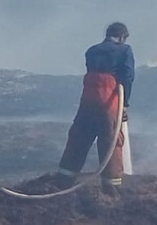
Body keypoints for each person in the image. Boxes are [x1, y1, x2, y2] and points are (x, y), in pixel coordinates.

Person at [58, 22, 135, 191]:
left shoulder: (91, 50)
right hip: (110, 97)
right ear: (122, 36)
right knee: (111, 139)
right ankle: (111, 188)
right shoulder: (125, 50)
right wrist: (125, 105)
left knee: (79, 136)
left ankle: (63, 180)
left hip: (88, 97)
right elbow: (128, 77)